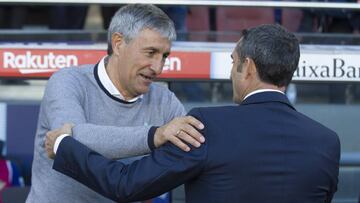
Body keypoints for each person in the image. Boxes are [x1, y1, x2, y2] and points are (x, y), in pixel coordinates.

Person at [46, 24, 340, 202]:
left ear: (248, 67)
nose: (231, 72)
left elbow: (126, 185)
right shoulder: (327, 142)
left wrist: (64, 146)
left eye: (233, 61)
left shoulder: (208, 126)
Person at [26, 4, 205, 203]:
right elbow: (72, 145)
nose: (158, 67)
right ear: (118, 43)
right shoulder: (67, 81)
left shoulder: (165, 101)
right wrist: (155, 135)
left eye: (164, 56)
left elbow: (200, 151)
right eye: (150, 53)